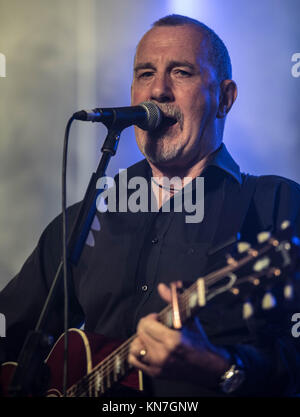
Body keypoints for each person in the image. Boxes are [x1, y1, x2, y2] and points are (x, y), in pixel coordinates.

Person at [1, 14, 300, 397]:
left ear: (224, 98)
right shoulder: (86, 218)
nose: (158, 90)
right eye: (145, 73)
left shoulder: (277, 205)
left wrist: (222, 367)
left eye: (181, 72)